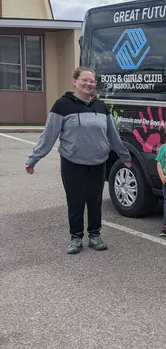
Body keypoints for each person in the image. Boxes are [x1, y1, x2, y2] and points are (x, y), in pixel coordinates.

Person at [25, 66, 133, 255]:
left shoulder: (101, 106)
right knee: (75, 201)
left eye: (92, 81)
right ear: (75, 81)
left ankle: (94, 235)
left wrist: (125, 156)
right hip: (72, 162)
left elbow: (113, 135)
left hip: (98, 162)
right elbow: (49, 135)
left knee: (95, 200)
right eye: (85, 80)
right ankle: (76, 237)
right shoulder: (62, 105)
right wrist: (34, 158)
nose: (89, 84)